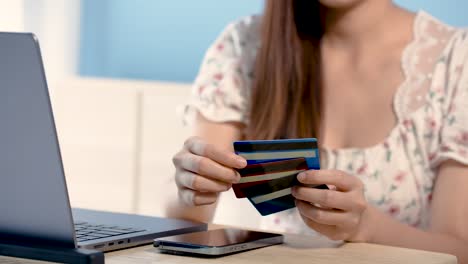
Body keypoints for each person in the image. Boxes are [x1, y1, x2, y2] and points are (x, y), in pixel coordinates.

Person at [168, 0, 468, 261]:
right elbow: (186, 219)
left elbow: (460, 250)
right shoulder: (244, 46)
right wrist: (189, 186)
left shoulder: (455, 61)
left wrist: (366, 228)